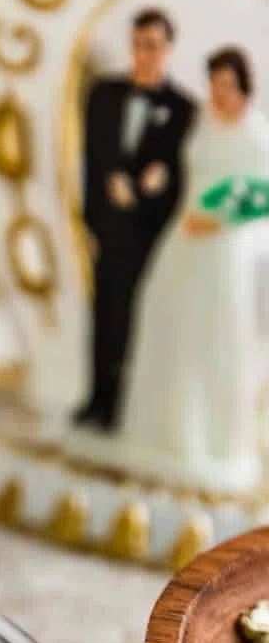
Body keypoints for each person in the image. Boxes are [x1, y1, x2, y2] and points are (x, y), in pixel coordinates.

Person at [117, 45, 269, 490]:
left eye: (229, 85)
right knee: (168, 321)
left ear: (243, 87)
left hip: (222, 248)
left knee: (214, 332)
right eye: (215, 84)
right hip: (183, 235)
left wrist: (220, 220)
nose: (221, 93)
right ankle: (163, 433)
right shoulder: (198, 122)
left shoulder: (255, 135)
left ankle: (212, 437)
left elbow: (262, 196)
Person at [74, 8, 197, 429]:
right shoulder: (104, 94)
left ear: (169, 49)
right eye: (139, 45)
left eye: (154, 46)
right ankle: (99, 400)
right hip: (110, 227)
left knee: (147, 321)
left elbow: (186, 173)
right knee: (105, 315)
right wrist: (99, 203)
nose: (145, 54)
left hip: (153, 234)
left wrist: (159, 182)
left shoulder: (184, 109)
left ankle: (136, 406)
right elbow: (91, 157)